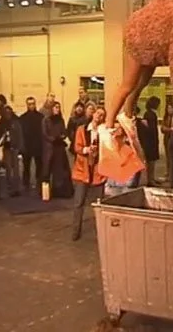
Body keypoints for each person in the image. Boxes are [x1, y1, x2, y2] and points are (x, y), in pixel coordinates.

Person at [71, 107, 107, 241]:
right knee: (78, 203)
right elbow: (77, 147)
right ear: (93, 114)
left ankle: (100, 232)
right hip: (83, 170)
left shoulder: (103, 132)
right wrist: (87, 149)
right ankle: (76, 231)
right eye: (98, 113)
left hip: (98, 171)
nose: (99, 116)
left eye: (102, 115)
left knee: (98, 204)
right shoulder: (82, 129)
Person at [42, 102, 74, 198]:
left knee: (61, 170)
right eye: (55, 107)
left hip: (59, 147)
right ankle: (46, 191)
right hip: (50, 148)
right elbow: (44, 133)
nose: (57, 109)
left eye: (58, 107)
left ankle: (60, 190)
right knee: (47, 170)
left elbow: (64, 131)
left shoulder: (61, 120)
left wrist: (62, 136)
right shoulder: (46, 120)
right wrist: (53, 138)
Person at [19, 97, 44, 192]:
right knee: (26, 166)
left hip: (38, 145)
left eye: (33, 104)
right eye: (29, 104)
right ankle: (25, 184)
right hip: (27, 146)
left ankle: (39, 183)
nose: (31, 106)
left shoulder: (41, 117)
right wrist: (22, 146)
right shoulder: (22, 118)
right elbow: (21, 133)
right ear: (27, 105)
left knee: (39, 166)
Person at [0, 106, 24, 197]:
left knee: (16, 169)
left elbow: (20, 135)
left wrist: (19, 148)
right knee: (8, 169)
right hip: (6, 148)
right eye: (6, 112)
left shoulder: (15, 122)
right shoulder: (2, 123)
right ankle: (10, 188)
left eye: (9, 112)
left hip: (15, 148)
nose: (8, 114)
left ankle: (17, 188)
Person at [142, 96, 161, 186]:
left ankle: (151, 178)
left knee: (151, 161)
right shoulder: (150, 114)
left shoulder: (148, 114)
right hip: (150, 141)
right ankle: (150, 179)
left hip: (150, 140)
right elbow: (151, 129)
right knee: (151, 161)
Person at [161, 103, 173, 179]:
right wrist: (170, 129)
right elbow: (162, 128)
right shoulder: (166, 118)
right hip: (167, 139)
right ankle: (168, 172)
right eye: (168, 108)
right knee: (168, 156)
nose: (169, 110)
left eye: (171, 108)